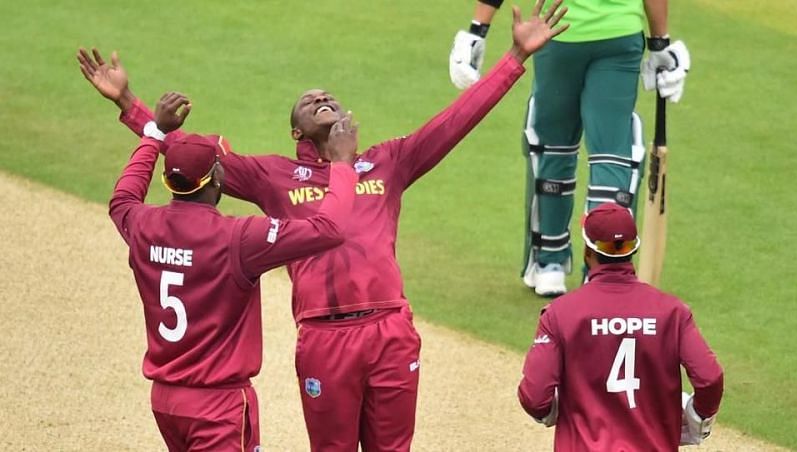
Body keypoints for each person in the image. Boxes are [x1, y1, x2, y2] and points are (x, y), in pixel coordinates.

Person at [79, 3, 568, 450]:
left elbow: (454, 121)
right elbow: (193, 157)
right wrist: (130, 104)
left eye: (327, 95)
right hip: (323, 338)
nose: (320, 96)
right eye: (308, 100)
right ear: (296, 132)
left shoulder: (388, 162)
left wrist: (513, 57)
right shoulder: (272, 176)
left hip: (389, 330)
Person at [107, 91, 358, 451]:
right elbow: (329, 230)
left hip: (165, 400)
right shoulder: (239, 237)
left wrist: (153, 133)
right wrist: (343, 164)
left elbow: (123, 197)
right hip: (218, 406)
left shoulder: (140, 224)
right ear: (216, 179)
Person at [449, 0, 691, 296]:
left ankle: (549, 262)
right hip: (620, 33)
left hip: (558, 32)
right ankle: (605, 268)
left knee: (552, 145)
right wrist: (659, 43)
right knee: (612, 153)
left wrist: (477, 29)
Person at [517, 203, 723, 450]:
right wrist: (696, 419)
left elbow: (535, 397)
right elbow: (710, 378)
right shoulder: (673, 312)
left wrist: (556, 409)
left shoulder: (560, 314)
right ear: (632, 249)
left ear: (587, 252)